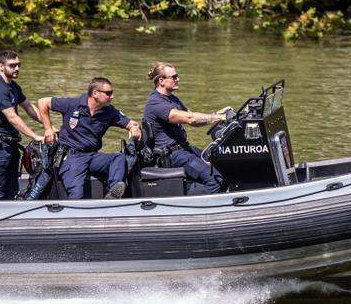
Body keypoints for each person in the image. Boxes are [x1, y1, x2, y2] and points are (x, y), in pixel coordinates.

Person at [32, 77, 141, 200]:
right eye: (108, 93)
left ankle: (113, 194)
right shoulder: (73, 104)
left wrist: (134, 128)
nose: (112, 97)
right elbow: (42, 102)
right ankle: (73, 215)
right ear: (95, 93)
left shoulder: (109, 111)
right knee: (77, 196)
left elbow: (132, 123)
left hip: (92, 156)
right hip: (72, 158)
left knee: (118, 158)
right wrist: (48, 129)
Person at [142, 62, 230, 195]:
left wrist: (216, 115)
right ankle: (200, 210)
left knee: (221, 163)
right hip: (172, 155)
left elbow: (193, 120)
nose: (178, 79)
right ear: (161, 81)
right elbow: (190, 118)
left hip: (183, 149)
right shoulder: (155, 102)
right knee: (214, 181)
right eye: (174, 77)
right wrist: (218, 117)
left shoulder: (172, 99)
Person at [0, 50, 51, 200]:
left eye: (18, 65)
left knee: (12, 188)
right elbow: (12, 117)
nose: (17, 68)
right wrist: (34, 136)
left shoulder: (12, 86)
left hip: (11, 144)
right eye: (12, 65)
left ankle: (8, 220)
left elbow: (29, 107)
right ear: (1, 66)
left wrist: (48, 127)